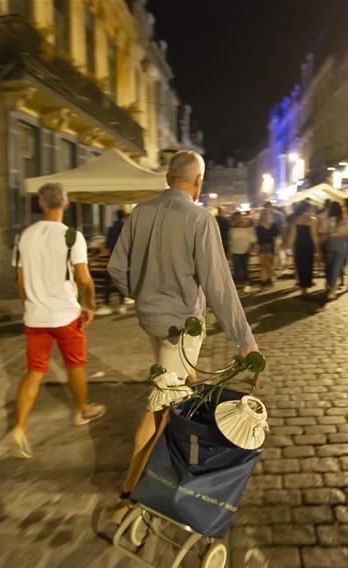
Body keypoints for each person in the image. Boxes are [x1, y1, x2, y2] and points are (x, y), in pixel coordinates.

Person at [108, 150, 258, 514]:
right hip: (181, 327)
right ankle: (130, 493)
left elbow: (115, 268)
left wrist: (140, 293)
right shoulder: (200, 219)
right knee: (159, 407)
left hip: (152, 320)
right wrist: (244, 339)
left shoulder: (139, 213)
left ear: (167, 177)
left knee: (180, 387)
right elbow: (218, 285)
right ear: (198, 181)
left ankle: (175, 459)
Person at [0, 183, 107, 459]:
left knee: (34, 371)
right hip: (66, 315)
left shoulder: (24, 236)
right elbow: (84, 278)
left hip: (35, 317)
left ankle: (20, 428)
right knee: (75, 365)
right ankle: (82, 410)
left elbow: (19, 280)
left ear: (41, 203)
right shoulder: (72, 236)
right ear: (65, 204)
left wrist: (29, 305)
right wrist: (90, 305)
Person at [98, 210, 131, 316]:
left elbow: (107, 245)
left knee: (108, 281)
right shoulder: (126, 229)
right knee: (121, 281)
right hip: (123, 259)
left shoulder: (111, 229)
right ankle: (121, 305)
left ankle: (106, 304)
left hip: (112, 258)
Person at [322, 201, 348, 299]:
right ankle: (332, 290)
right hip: (342, 244)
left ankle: (329, 284)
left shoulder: (328, 219)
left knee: (329, 266)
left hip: (331, 243)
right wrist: (345, 237)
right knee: (337, 267)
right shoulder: (344, 218)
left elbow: (325, 232)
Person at [287, 200, 320, 296]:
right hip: (308, 246)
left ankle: (303, 288)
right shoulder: (313, 220)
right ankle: (305, 287)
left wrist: (289, 252)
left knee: (300, 267)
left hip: (298, 247)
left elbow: (291, 238)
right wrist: (318, 250)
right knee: (308, 266)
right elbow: (314, 236)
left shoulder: (295, 220)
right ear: (308, 209)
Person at [229, 212, 256, 293]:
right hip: (235, 250)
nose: (237, 219)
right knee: (236, 268)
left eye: (239, 217)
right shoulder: (232, 227)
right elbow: (230, 239)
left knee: (245, 267)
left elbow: (252, 238)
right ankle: (237, 285)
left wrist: (251, 248)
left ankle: (247, 283)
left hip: (245, 250)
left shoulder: (248, 227)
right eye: (236, 217)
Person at [256, 209, 280, 286]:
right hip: (262, 246)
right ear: (262, 216)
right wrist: (256, 247)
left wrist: (276, 248)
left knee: (270, 262)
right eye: (264, 214)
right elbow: (257, 238)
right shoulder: (258, 226)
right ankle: (264, 279)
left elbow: (275, 237)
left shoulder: (273, 225)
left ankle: (269, 278)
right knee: (264, 263)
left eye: (267, 214)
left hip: (271, 245)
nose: (266, 216)